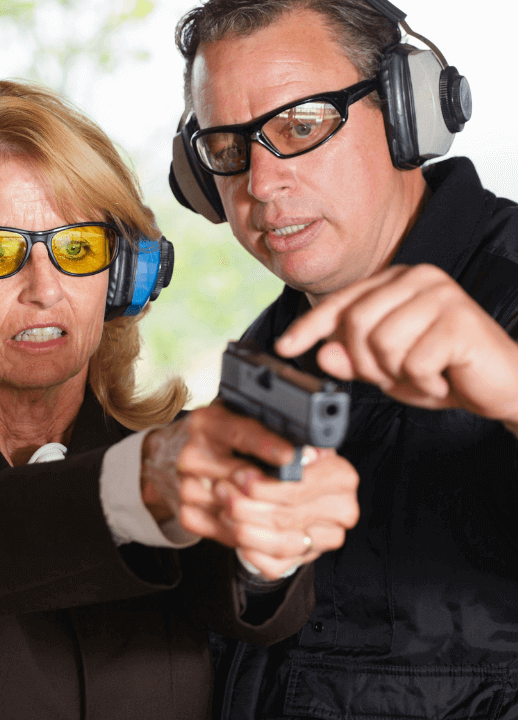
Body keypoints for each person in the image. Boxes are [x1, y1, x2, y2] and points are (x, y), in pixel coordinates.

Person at [0, 80, 359, 719]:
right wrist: (145, 485)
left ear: (123, 274)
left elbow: (249, 602)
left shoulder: (185, 452)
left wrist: (270, 541)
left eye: (78, 248)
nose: (44, 288)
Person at [169, 0, 518, 717]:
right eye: (229, 148)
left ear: (406, 112)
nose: (261, 186)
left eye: (300, 126)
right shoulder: (269, 349)